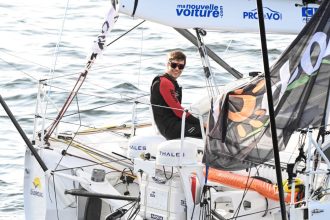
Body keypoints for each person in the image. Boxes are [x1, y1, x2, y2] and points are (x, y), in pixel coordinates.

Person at [150, 50, 203, 140]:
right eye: (174, 65)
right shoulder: (165, 82)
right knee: (208, 131)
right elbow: (178, 111)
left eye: (181, 66)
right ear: (168, 64)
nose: (177, 69)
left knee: (204, 126)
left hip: (173, 124)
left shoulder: (170, 81)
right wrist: (201, 123)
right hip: (170, 128)